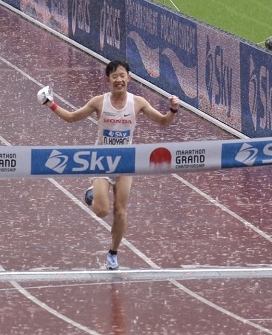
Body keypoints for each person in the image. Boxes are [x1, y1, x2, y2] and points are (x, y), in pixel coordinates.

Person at [37, 60, 180, 270]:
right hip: (101, 161)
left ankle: (113, 253)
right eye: (114, 77)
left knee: (120, 212)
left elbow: (163, 122)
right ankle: (92, 195)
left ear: (129, 78)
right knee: (103, 211)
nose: (119, 80)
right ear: (108, 80)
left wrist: (173, 110)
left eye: (122, 76)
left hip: (125, 163)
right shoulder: (99, 102)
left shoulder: (138, 102)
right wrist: (50, 103)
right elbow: (71, 118)